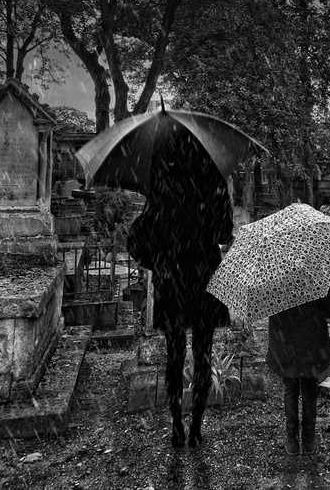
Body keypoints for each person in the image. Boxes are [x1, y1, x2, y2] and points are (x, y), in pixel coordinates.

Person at [127, 130, 233, 448]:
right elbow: (225, 233)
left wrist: (158, 262)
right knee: (203, 353)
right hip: (203, 280)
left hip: (172, 280)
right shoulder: (212, 181)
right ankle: (196, 428)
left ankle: (176, 425)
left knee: (174, 354)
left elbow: (137, 239)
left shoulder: (161, 183)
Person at [266, 280, 330, 456]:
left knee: (290, 389)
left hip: (285, 342)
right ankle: (308, 440)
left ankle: (292, 441)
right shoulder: (316, 275)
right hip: (311, 341)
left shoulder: (273, 278)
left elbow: (269, 308)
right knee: (309, 389)